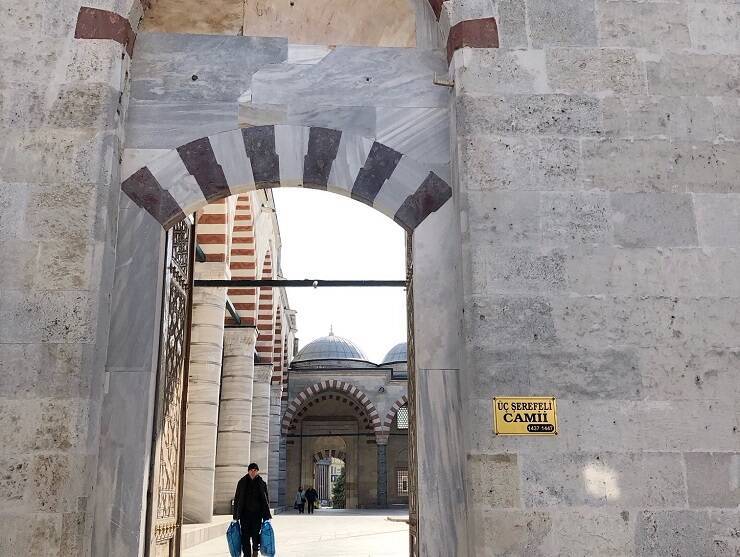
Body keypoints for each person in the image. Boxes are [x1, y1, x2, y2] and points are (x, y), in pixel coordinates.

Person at [233, 463, 271, 557]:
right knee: (245, 536)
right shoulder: (242, 482)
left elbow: (266, 499)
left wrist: (266, 515)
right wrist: (235, 515)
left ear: (257, 471)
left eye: (255, 470)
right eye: (251, 470)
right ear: (248, 471)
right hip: (244, 514)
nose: (253, 472)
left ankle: (255, 550)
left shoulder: (261, 483)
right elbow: (237, 498)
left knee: (255, 534)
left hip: (257, 515)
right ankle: (247, 554)